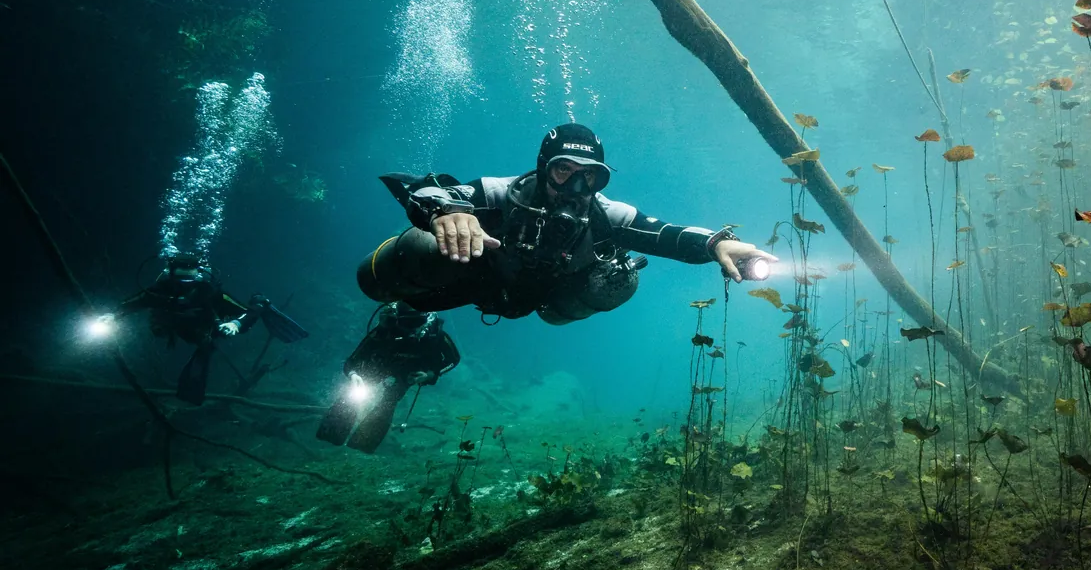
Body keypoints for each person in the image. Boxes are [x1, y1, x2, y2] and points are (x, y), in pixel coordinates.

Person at [355, 123, 777, 322]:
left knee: (621, 278)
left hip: (538, 299)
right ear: (543, 168)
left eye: (588, 176)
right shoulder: (502, 194)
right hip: (470, 282)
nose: (576, 186)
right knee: (426, 244)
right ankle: (388, 280)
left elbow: (662, 232)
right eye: (563, 171)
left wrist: (717, 244)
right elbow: (430, 188)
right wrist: (448, 213)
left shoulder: (603, 214)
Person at [101, 255, 308, 404]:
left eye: (189, 281)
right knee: (164, 330)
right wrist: (113, 315)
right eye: (178, 281)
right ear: (169, 276)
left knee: (238, 326)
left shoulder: (207, 291)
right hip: (177, 326)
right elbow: (132, 303)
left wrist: (235, 323)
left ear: (198, 277)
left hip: (205, 326)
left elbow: (244, 312)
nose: (183, 287)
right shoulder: (158, 290)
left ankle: (261, 300)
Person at [317, 301, 459, 453]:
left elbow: (453, 359)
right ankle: (333, 437)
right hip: (381, 367)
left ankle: (360, 446)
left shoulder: (433, 334)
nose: (408, 331)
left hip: (407, 374)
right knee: (354, 397)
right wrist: (354, 376)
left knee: (387, 403)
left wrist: (430, 374)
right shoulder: (385, 329)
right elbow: (352, 361)